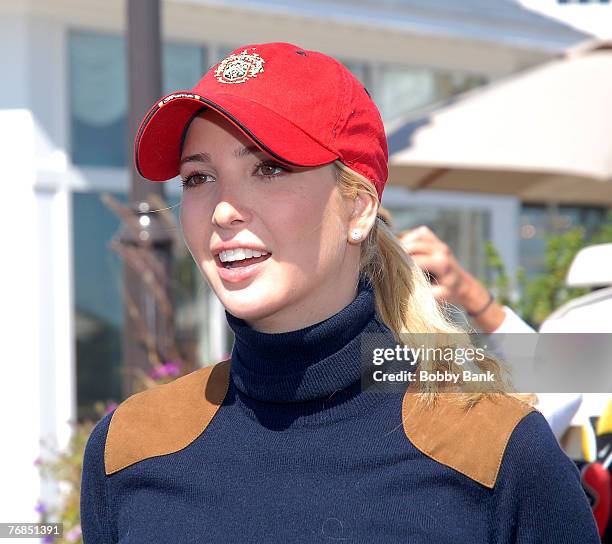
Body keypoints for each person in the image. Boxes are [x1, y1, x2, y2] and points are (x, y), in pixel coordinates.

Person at [80, 42, 599, 543]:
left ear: (359, 209)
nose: (222, 209)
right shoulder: (129, 447)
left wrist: (480, 303)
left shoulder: (496, 447)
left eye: (269, 167)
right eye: (198, 177)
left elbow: (581, 373)